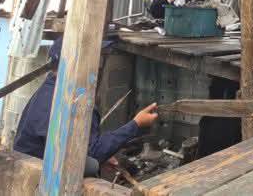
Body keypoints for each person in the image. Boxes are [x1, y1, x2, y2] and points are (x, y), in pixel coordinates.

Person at [13, 39, 159, 176]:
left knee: (93, 164)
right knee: (93, 165)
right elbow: (94, 151)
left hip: (33, 162)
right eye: (94, 58)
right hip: (41, 175)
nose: (98, 65)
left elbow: (78, 145)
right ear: (76, 62)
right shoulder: (71, 100)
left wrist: (101, 157)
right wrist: (136, 124)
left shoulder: (51, 89)